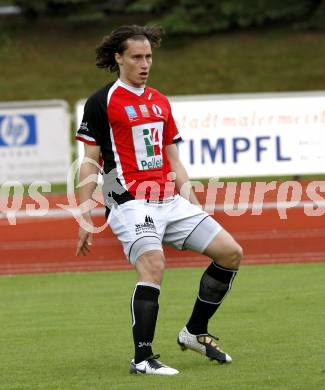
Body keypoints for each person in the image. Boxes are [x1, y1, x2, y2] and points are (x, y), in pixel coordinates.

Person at [75, 25, 243, 376]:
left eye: (148, 56)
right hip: (126, 197)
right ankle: (142, 358)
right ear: (118, 58)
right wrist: (84, 214)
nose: (144, 63)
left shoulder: (160, 101)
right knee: (153, 264)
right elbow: (90, 161)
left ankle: (195, 331)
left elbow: (174, 159)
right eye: (136, 57)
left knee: (230, 252)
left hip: (167, 196)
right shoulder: (101, 101)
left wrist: (190, 197)